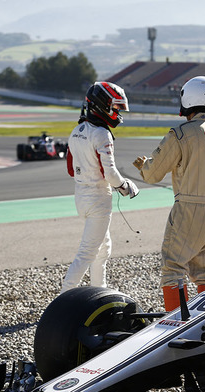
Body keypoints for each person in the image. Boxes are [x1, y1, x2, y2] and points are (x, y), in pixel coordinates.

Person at [133, 76, 205, 312]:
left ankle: (175, 324)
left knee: (173, 269)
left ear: (187, 99)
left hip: (187, 208)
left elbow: (152, 174)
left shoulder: (180, 133)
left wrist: (143, 165)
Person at [60, 81, 139, 294]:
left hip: (81, 197)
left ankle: (99, 291)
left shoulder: (76, 130)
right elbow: (110, 174)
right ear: (101, 105)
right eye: (115, 108)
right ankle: (62, 298)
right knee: (87, 252)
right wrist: (126, 186)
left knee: (103, 249)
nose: (118, 113)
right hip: (98, 200)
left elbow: (70, 168)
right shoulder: (102, 134)